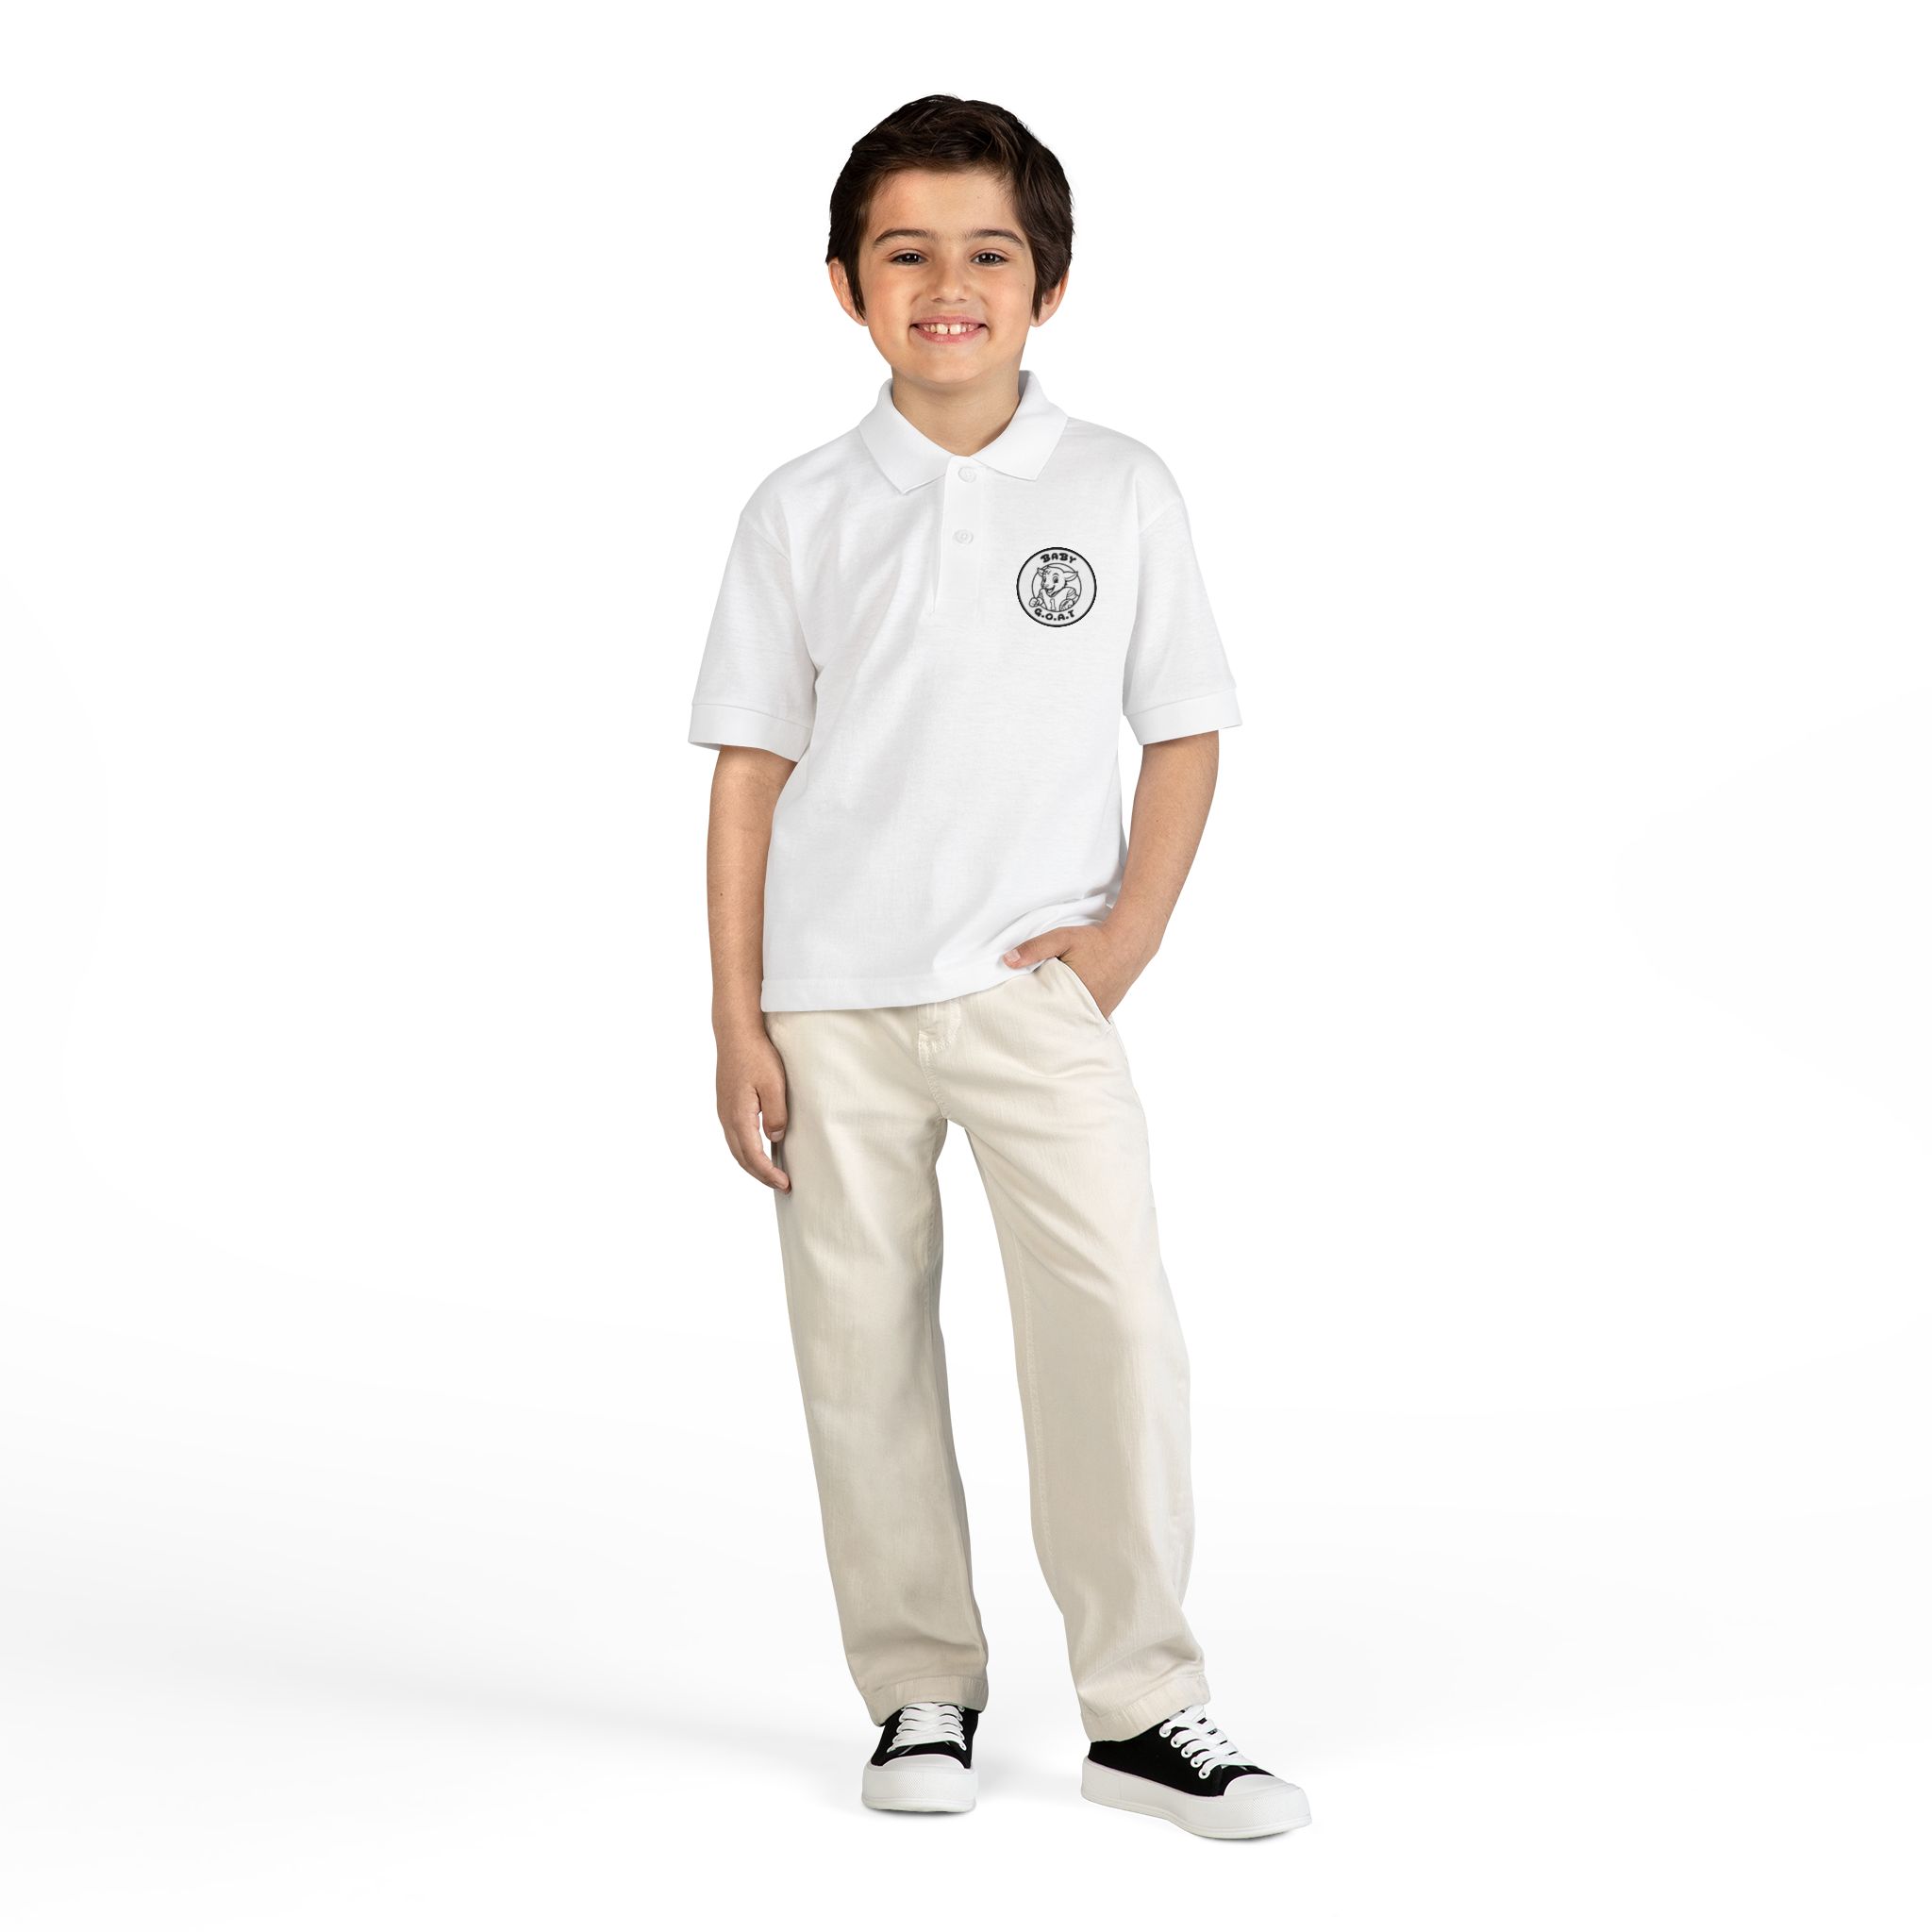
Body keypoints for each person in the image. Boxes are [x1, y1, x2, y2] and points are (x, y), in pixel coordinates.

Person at [686, 93, 1310, 1841]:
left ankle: (1147, 1708)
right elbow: (750, 769)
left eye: (988, 254)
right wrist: (735, 1013)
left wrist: (1123, 942)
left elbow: (1184, 727)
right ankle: (920, 1691)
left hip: (1036, 998)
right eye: (907, 254)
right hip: (829, 1003)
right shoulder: (802, 509)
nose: (947, 286)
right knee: (860, 1350)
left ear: (1049, 286)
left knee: (1112, 1327)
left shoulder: (1117, 487)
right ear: (846, 285)